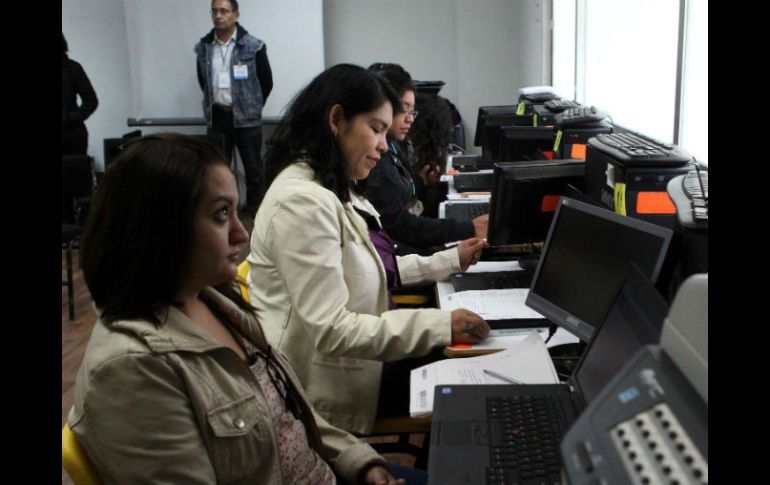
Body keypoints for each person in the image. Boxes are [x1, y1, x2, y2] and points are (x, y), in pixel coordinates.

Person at [68, 133, 411, 484]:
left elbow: (288, 414)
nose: (241, 234)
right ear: (159, 227)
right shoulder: (131, 369)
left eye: (235, 212)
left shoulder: (215, 303)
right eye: (220, 215)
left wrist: (362, 462)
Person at [248, 64, 490, 435]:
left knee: (469, 368)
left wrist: (449, 260)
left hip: (361, 359)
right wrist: (440, 324)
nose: (383, 144)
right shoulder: (303, 202)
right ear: (336, 119)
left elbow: (372, 268)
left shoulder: (329, 183)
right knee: (474, 385)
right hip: (325, 383)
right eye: (376, 129)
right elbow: (332, 331)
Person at [362, 64, 487, 255]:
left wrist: (423, 181)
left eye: (413, 111)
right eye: (404, 110)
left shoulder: (394, 145)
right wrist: (466, 230)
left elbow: (402, 197)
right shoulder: (375, 161)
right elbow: (398, 225)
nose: (410, 119)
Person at [195, 0, 273, 216]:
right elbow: (203, 81)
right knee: (217, 169)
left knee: (253, 169)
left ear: (236, 15)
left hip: (247, 118)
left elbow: (266, 82)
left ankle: (256, 212)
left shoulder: (253, 45)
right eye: (214, 11)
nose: (218, 16)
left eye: (223, 11)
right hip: (218, 117)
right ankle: (224, 210)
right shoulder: (204, 47)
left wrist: (252, 104)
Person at [62, 33, 98, 156]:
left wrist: (71, 118)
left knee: (72, 174)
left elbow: (91, 100)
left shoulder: (73, 68)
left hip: (70, 137)